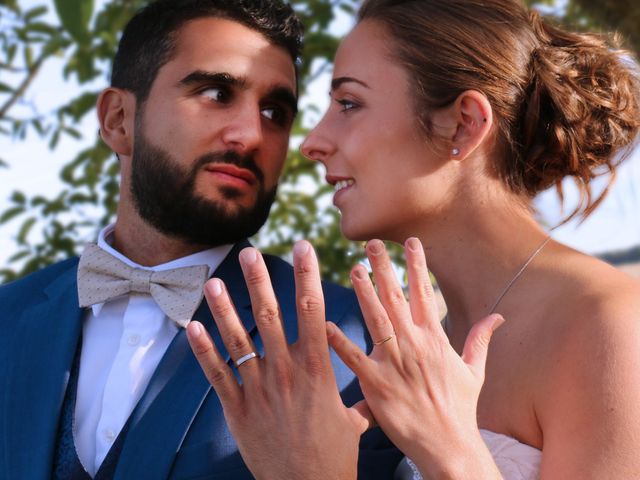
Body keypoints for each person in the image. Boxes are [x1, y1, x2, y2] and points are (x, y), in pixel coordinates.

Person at [188, 0, 640, 478]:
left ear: (465, 123)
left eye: (349, 104)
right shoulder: (420, 346)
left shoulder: (610, 325)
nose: (312, 142)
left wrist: (447, 452)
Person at [0, 1, 402, 478]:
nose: (251, 134)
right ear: (118, 120)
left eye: (274, 112)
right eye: (215, 93)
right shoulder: (9, 317)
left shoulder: (353, 340)